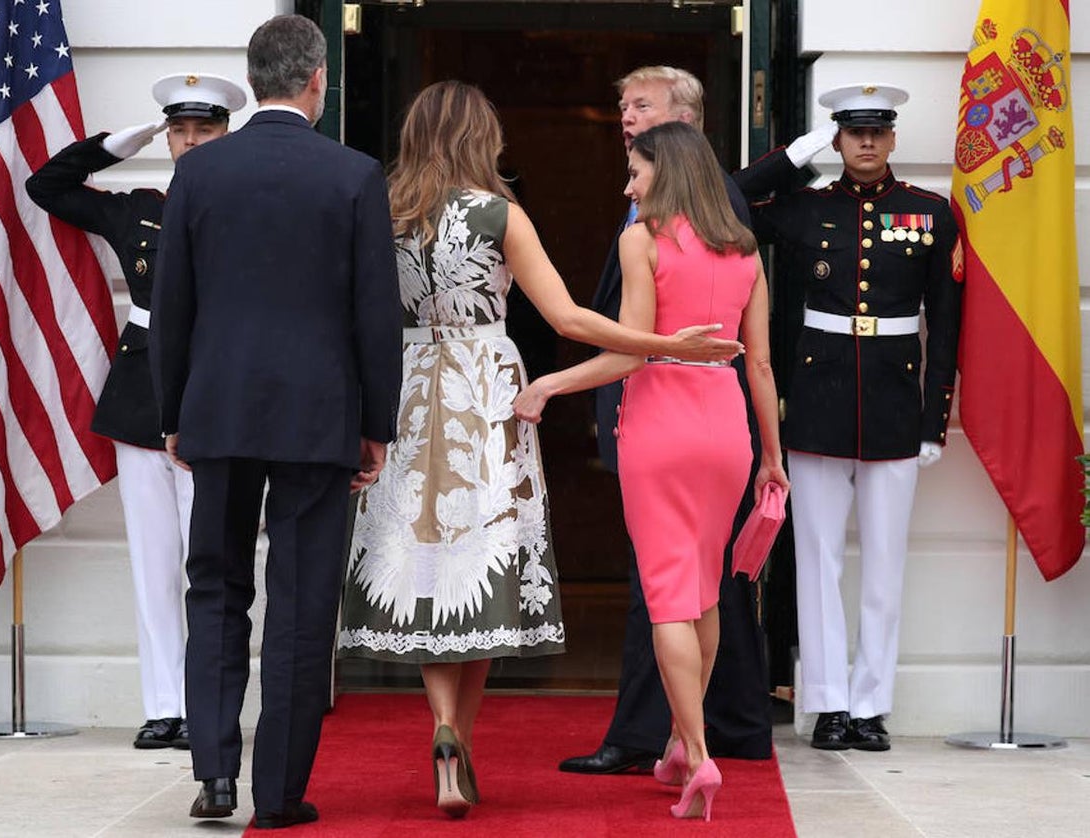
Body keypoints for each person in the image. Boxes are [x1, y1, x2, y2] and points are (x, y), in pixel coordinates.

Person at [335, 80, 735, 819]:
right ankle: (464, 737)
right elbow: (570, 317)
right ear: (477, 138)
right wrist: (657, 345)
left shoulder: (381, 210)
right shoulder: (499, 213)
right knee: (485, 563)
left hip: (408, 386)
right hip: (484, 389)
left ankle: (444, 728)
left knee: (425, 563)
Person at [149, 15, 402, 829]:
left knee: (216, 589)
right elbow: (375, 317)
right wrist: (376, 424)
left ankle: (216, 775)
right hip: (319, 418)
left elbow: (171, 307)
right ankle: (281, 794)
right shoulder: (355, 174)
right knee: (300, 605)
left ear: (254, 80)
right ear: (318, 80)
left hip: (217, 409)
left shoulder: (199, 173)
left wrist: (173, 414)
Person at [515, 121, 789, 820]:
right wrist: (772, 456)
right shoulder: (744, 249)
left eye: (635, 171)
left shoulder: (642, 239)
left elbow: (633, 351)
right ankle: (676, 739)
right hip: (726, 424)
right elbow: (759, 363)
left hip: (661, 422)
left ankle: (699, 758)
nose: (628, 185)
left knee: (667, 592)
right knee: (701, 589)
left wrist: (551, 384)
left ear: (665, 172)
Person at [733, 84, 963, 751]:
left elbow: (944, 327)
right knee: (818, 559)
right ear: (837, 140)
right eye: (852, 133)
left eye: (877, 132)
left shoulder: (929, 213)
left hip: (895, 403)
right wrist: (790, 158)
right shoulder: (803, 208)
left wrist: (932, 421)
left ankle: (870, 707)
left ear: (892, 139)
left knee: (886, 565)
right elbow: (725, 201)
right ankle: (828, 705)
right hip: (818, 401)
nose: (865, 143)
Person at [26, 71, 246, 751]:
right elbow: (47, 188)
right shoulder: (139, 209)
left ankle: (210, 707)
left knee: (208, 561)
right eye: (178, 130)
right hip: (142, 396)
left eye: (202, 129)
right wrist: (121, 143)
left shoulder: (248, 210)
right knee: (154, 562)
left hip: (213, 393)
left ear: (226, 134)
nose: (188, 141)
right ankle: (164, 706)